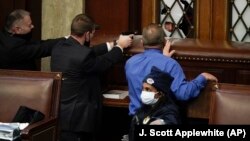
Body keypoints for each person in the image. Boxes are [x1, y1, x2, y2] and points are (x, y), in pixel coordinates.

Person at [50, 13, 132, 141]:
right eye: (93, 33)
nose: (93, 36)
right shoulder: (83, 55)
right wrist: (120, 47)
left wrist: (111, 44)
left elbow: (87, 53)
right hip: (79, 119)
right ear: (87, 34)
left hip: (62, 113)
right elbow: (103, 63)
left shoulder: (59, 47)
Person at [125, 23, 218, 117]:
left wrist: (164, 59)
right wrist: (202, 77)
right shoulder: (170, 64)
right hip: (160, 121)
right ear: (164, 42)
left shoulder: (130, 63)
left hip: (135, 121)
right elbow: (183, 94)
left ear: (142, 42)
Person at [0, 9, 65, 70]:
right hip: (19, 81)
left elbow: (37, 43)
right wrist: (67, 39)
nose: (32, 26)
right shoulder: (13, 47)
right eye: (29, 25)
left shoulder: (6, 35)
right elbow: (42, 48)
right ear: (17, 29)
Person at [128, 66, 181, 141]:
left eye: (148, 89)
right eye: (143, 89)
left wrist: (161, 123)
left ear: (159, 94)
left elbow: (170, 121)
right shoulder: (144, 108)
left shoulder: (169, 111)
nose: (144, 92)